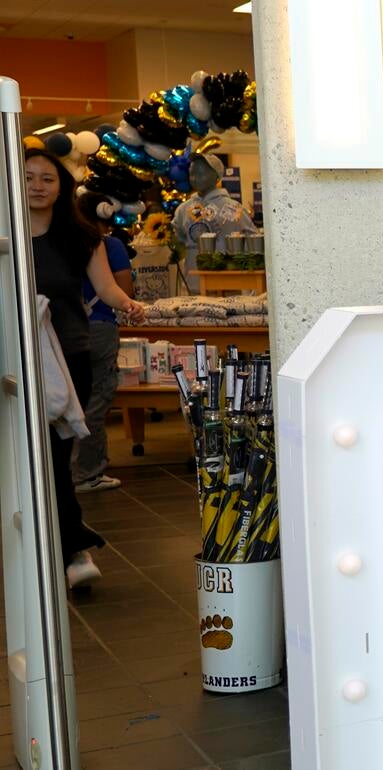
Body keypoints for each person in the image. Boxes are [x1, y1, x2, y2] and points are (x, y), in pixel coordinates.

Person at [22, 148, 147, 588]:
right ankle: (53, 544)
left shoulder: (81, 237)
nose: (38, 185)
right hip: (15, 359)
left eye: (47, 178)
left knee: (55, 455)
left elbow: (108, 289)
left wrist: (130, 306)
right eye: (29, 176)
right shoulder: (6, 234)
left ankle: (70, 549)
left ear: (62, 187)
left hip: (69, 356)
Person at [71, 208, 134, 493]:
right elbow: (121, 287)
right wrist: (129, 306)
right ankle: (88, 471)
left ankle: (63, 470)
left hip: (58, 329)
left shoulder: (51, 240)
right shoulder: (107, 244)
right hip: (99, 326)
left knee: (67, 400)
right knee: (95, 400)